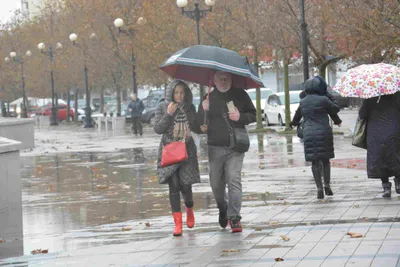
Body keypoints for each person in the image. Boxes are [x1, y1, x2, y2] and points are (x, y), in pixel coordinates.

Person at [196, 71, 256, 233]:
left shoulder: (240, 94)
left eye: (226, 78)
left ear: (231, 79)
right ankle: (223, 208)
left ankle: (234, 217)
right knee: (216, 184)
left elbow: (253, 115)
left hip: (235, 147)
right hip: (214, 148)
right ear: (213, 80)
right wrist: (203, 110)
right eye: (220, 79)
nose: (223, 81)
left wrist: (240, 117)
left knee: (233, 179)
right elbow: (197, 126)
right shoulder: (208, 98)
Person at [153, 80, 201, 236]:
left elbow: (196, 126)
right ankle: (178, 224)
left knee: (186, 185)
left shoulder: (189, 107)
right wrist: (168, 114)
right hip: (170, 151)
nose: (179, 96)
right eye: (176, 92)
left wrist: (201, 126)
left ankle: (189, 208)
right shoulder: (162, 107)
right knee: (173, 186)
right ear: (170, 93)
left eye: (182, 92)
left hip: (187, 150)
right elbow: (158, 129)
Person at [290, 76, 341, 199]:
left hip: (309, 133)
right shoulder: (324, 99)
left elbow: (296, 118)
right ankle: (327, 186)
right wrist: (330, 96)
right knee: (325, 160)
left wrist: (293, 123)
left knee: (314, 162)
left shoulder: (303, 102)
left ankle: (319, 188)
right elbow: (335, 109)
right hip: (324, 132)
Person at [359, 92, 400, 198]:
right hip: (394, 131)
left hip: (375, 133)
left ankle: (386, 187)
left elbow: (362, 114)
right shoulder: (397, 95)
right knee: (395, 156)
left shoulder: (371, 97)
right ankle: (398, 182)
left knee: (380, 158)